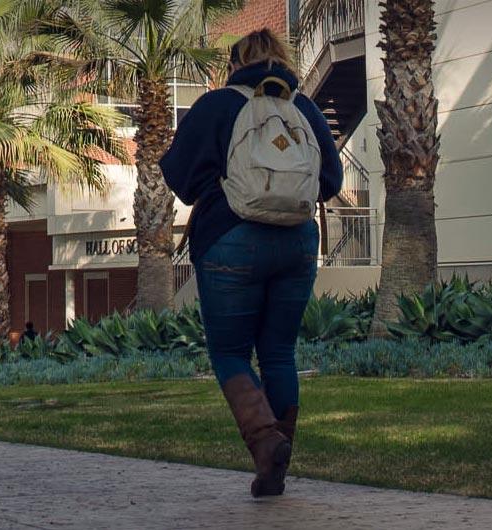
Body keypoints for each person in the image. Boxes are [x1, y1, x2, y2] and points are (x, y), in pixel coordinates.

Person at [159, 29, 342, 498]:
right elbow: (332, 180)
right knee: (279, 352)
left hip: (230, 239)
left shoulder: (217, 104)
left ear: (234, 63)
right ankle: (274, 466)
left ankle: (266, 445)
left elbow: (179, 175)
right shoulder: (304, 108)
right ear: (282, 60)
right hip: (297, 243)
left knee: (230, 353)